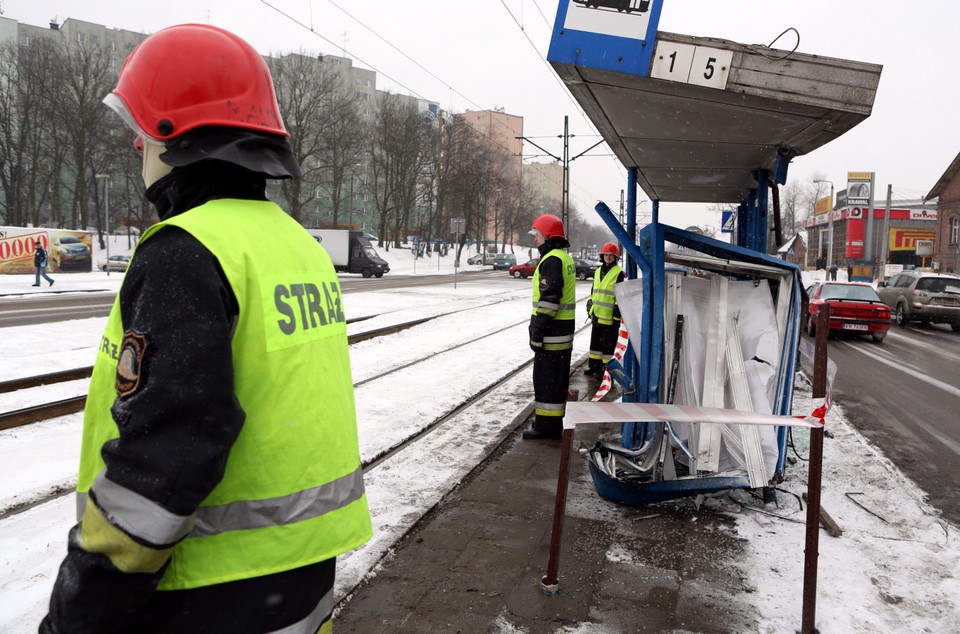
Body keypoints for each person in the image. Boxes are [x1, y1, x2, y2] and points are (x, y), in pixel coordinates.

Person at [41, 24, 372, 633]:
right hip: (299, 574)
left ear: (171, 138)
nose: (136, 151)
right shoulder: (294, 245)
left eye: (139, 137)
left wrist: (83, 607)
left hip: (204, 591)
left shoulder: (185, 250)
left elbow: (169, 453)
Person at [523, 213, 576, 440]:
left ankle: (546, 427)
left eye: (537, 234)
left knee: (546, 379)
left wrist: (538, 330)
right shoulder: (564, 258)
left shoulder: (551, 260)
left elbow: (549, 299)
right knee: (556, 379)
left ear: (548, 236)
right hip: (562, 333)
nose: (535, 239)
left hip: (551, 334)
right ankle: (553, 422)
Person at [585, 242, 625, 378]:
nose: (608, 257)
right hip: (596, 315)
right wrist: (590, 302)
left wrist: (617, 311)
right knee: (595, 345)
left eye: (611, 255)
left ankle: (605, 371)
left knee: (607, 348)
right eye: (606, 255)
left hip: (609, 318)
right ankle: (594, 367)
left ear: (616, 257)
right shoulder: (597, 271)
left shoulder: (619, 273)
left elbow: (620, 295)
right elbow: (594, 291)